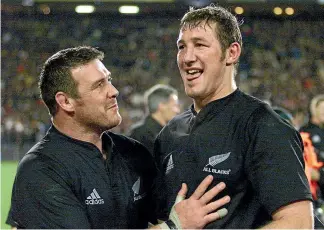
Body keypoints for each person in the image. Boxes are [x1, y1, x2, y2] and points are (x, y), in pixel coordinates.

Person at [6, 46, 231, 229]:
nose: (113, 91)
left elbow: (171, 208)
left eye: (109, 80)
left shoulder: (133, 153)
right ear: (66, 102)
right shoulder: (41, 170)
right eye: (99, 85)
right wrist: (172, 227)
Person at [153, 5, 314, 228]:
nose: (187, 57)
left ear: (232, 53)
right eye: (182, 47)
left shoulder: (263, 126)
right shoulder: (169, 133)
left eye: (200, 45)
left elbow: (299, 223)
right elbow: (159, 218)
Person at [129, 84, 180, 154]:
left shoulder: (170, 132)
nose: (177, 111)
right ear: (162, 106)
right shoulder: (140, 135)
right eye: (175, 106)